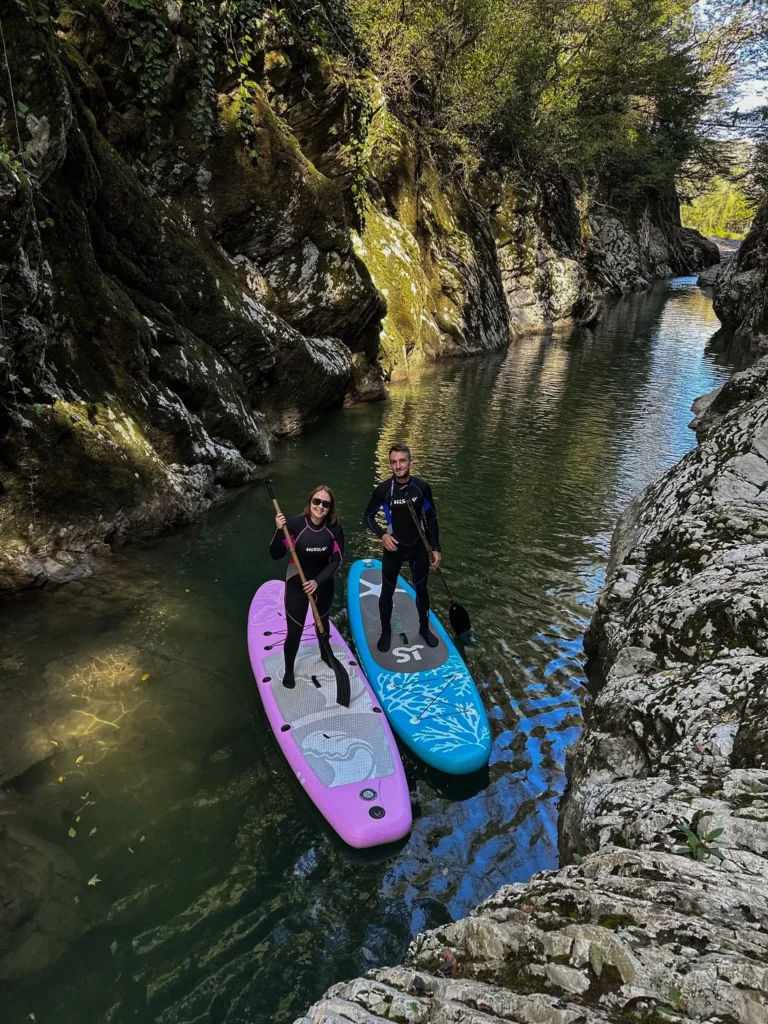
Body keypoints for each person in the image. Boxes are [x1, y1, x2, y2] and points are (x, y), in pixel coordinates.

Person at [363, 444, 441, 652]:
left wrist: (436, 548)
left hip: (418, 548)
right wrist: (382, 535)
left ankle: (424, 628)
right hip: (394, 548)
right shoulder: (384, 490)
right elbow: (367, 516)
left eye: (402, 461)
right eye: (394, 462)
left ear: (410, 461)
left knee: (422, 590)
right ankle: (386, 631)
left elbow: (431, 517)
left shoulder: (421, 488)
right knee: (387, 591)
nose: (398, 466)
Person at [270, 485, 344, 689]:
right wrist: (278, 530)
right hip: (297, 584)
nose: (320, 506)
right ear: (310, 502)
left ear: (330, 508)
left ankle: (325, 654)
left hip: (323, 584)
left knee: (323, 622)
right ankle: (289, 669)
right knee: (295, 630)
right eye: (316, 501)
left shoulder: (335, 528)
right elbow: (276, 554)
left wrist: (317, 581)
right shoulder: (294, 524)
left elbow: (337, 560)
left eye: (325, 503)